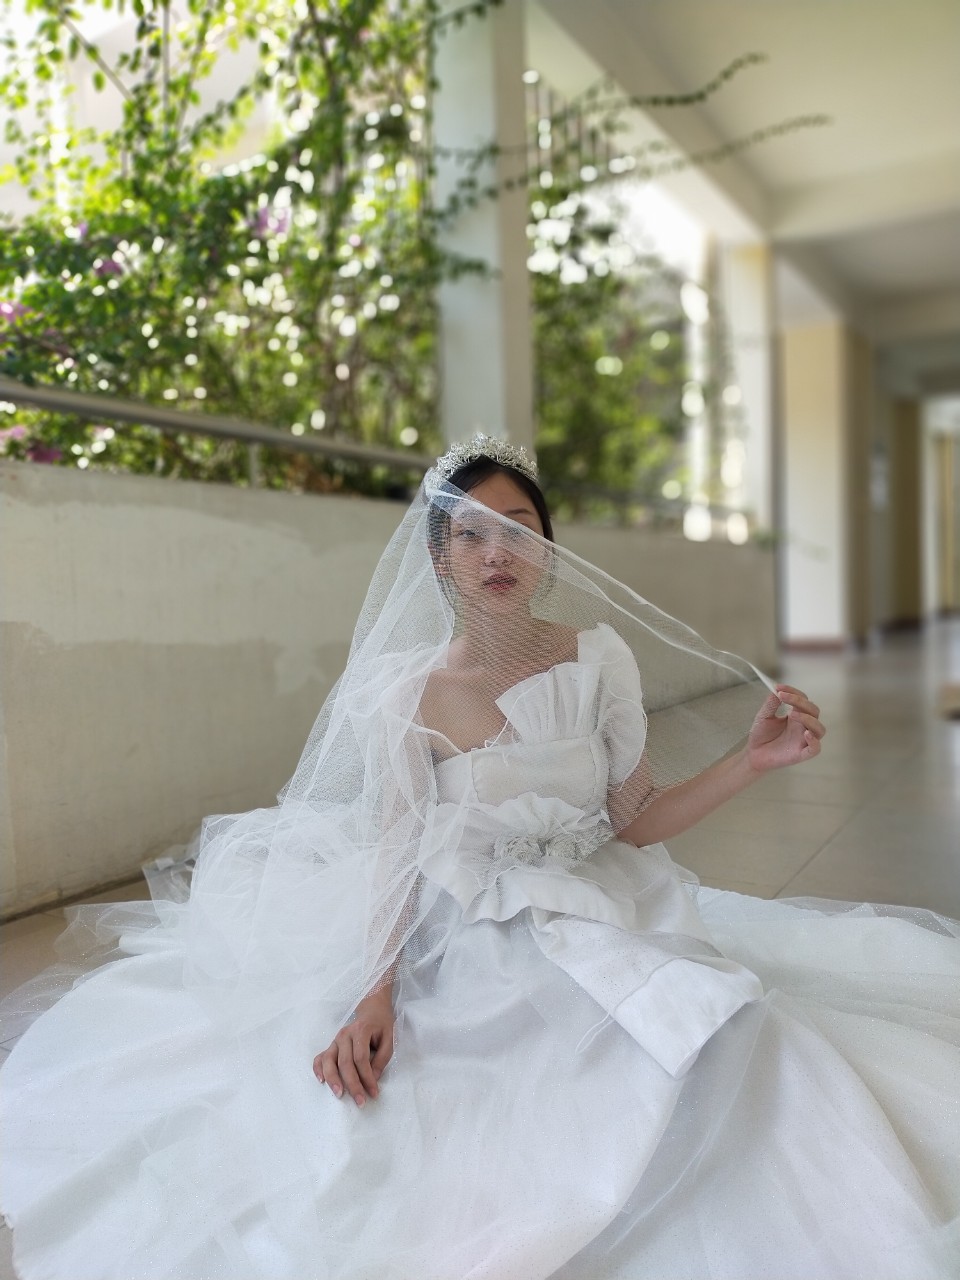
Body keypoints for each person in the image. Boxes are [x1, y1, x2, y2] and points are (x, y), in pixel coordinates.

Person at [1, 435, 958, 1280]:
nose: (497, 552)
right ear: (439, 557)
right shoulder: (407, 690)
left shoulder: (599, 658)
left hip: (599, 898)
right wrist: (375, 991)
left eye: (518, 529)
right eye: (470, 534)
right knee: (460, 1091)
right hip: (465, 922)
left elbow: (635, 818)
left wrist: (751, 763)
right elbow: (398, 845)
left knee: (718, 1034)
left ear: (547, 550)